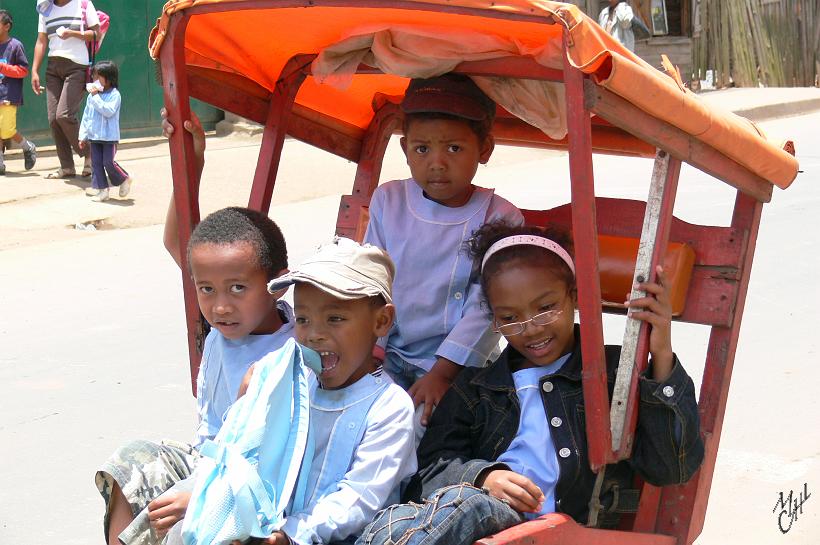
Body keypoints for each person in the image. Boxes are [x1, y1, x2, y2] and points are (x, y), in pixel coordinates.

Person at [356, 221, 705, 545]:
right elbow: (429, 468)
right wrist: (483, 477)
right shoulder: (476, 388)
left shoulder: (614, 374)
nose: (531, 328)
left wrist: (661, 353)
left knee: (473, 506)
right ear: (494, 319)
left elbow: (670, 468)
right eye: (510, 317)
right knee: (412, 513)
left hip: (563, 532)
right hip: (488, 526)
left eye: (546, 307)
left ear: (574, 295)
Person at [163, 237, 417, 545]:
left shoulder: (389, 407)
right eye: (304, 319)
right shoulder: (293, 383)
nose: (315, 334)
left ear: (381, 321)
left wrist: (291, 534)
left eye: (335, 319)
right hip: (274, 525)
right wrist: (250, 400)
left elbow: (358, 499)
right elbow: (249, 452)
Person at [95, 207, 296, 545]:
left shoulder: (290, 353)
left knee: (180, 525)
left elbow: (272, 460)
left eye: (237, 288)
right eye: (206, 289)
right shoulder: (223, 329)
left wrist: (202, 497)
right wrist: (187, 172)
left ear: (278, 285)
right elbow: (175, 240)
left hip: (255, 483)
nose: (220, 306)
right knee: (130, 461)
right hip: (207, 462)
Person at [364, 73, 523, 427]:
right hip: (385, 352)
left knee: (426, 424)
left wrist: (443, 372)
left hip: (458, 364)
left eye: (454, 148)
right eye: (422, 149)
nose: (436, 163)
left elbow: (487, 307)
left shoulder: (501, 217)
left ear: (484, 149)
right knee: (362, 412)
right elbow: (371, 280)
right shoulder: (389, 200)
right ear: (405, 149)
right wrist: (370, 350)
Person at [32, 0, 99, 179]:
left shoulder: (83, 4)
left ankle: (89, 154)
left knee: (64, 115)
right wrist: (34, 71)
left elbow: (96, 33)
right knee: (54, 119)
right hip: (53, 67)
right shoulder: (45, 7)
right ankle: (67, 167)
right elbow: (41, 41)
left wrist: (73, 33)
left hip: (77, 66)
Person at [79, 60, 131, 202]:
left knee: (108, 162)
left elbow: (108, 111)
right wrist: (83, 136)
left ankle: (124, 178)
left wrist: (95, 96)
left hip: (109, 137)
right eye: (93, 76)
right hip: (94, 136)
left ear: (109, 78)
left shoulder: (115, 95)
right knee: (96, 163)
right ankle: (102, 191)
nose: (94, 79)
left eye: (98, 76)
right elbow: (86, 117)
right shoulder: (91, 96)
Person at [0, 9, 37, 175]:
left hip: (8, 94)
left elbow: (23, 70)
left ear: (6, 26)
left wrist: (3, 67)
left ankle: (27, 147)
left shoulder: (15, 45)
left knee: (7, 129)